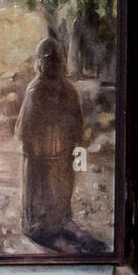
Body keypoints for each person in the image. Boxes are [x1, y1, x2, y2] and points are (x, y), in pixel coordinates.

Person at [15, 37, 85, 242]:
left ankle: (38, 225)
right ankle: (57, 221)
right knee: (58, 185)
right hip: (59, 151)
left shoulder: (35, 88)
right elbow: (78, 125)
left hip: (40, 153)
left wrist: (27, 146)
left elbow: (24, 126)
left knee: (39, 186)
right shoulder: (69, 88)